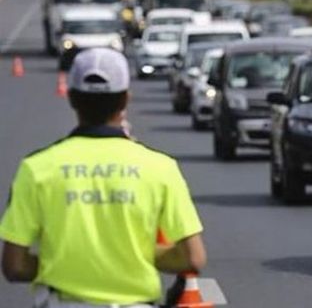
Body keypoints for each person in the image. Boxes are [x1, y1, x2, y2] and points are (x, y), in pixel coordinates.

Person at [0, 48, 207, 307]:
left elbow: (14, 266)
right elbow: (193, 258)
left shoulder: (36, 169)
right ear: (125, 100)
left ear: (72, 99)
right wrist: (131, 255)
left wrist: (66, 261)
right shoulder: (160, 168)